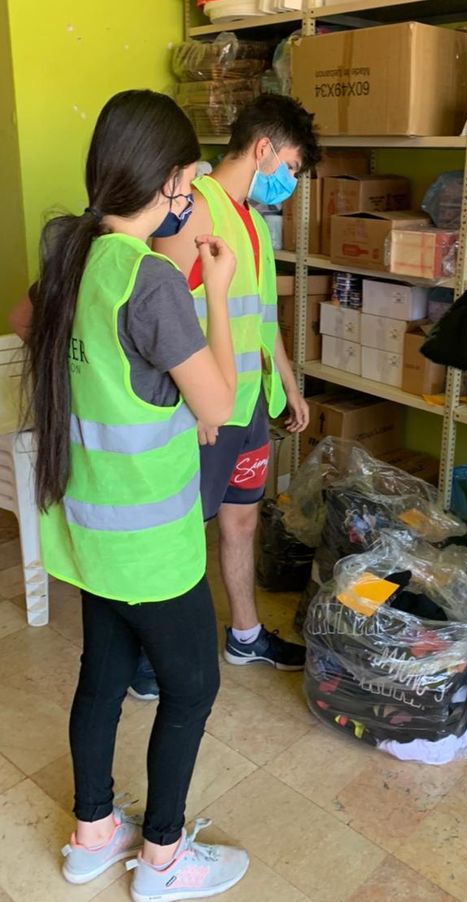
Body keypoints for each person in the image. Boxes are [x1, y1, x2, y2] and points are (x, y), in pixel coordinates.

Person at [16, 89, 250, 900]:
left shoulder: (66, 250)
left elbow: (27, 322)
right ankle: (160, 859)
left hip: (88, 529)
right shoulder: (148, 280)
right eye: (187, 180)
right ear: (171, 181)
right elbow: (217, 407)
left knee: (101, 675)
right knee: (193, 686)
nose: (190, 195)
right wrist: (213, 291)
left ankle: (91, 836)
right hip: (150, 542)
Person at [129, 93, 321, 699]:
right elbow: (159, 316)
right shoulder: (195, 210)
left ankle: (245, 634)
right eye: (290, 166)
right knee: (180, 535)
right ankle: (144, 660)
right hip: (206, 414)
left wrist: (288, 385)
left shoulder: (253, 221)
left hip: (248, 408)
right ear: (264, 149)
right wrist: (192, 405)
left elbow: (260, 320)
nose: (289, 180)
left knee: (240, 521)